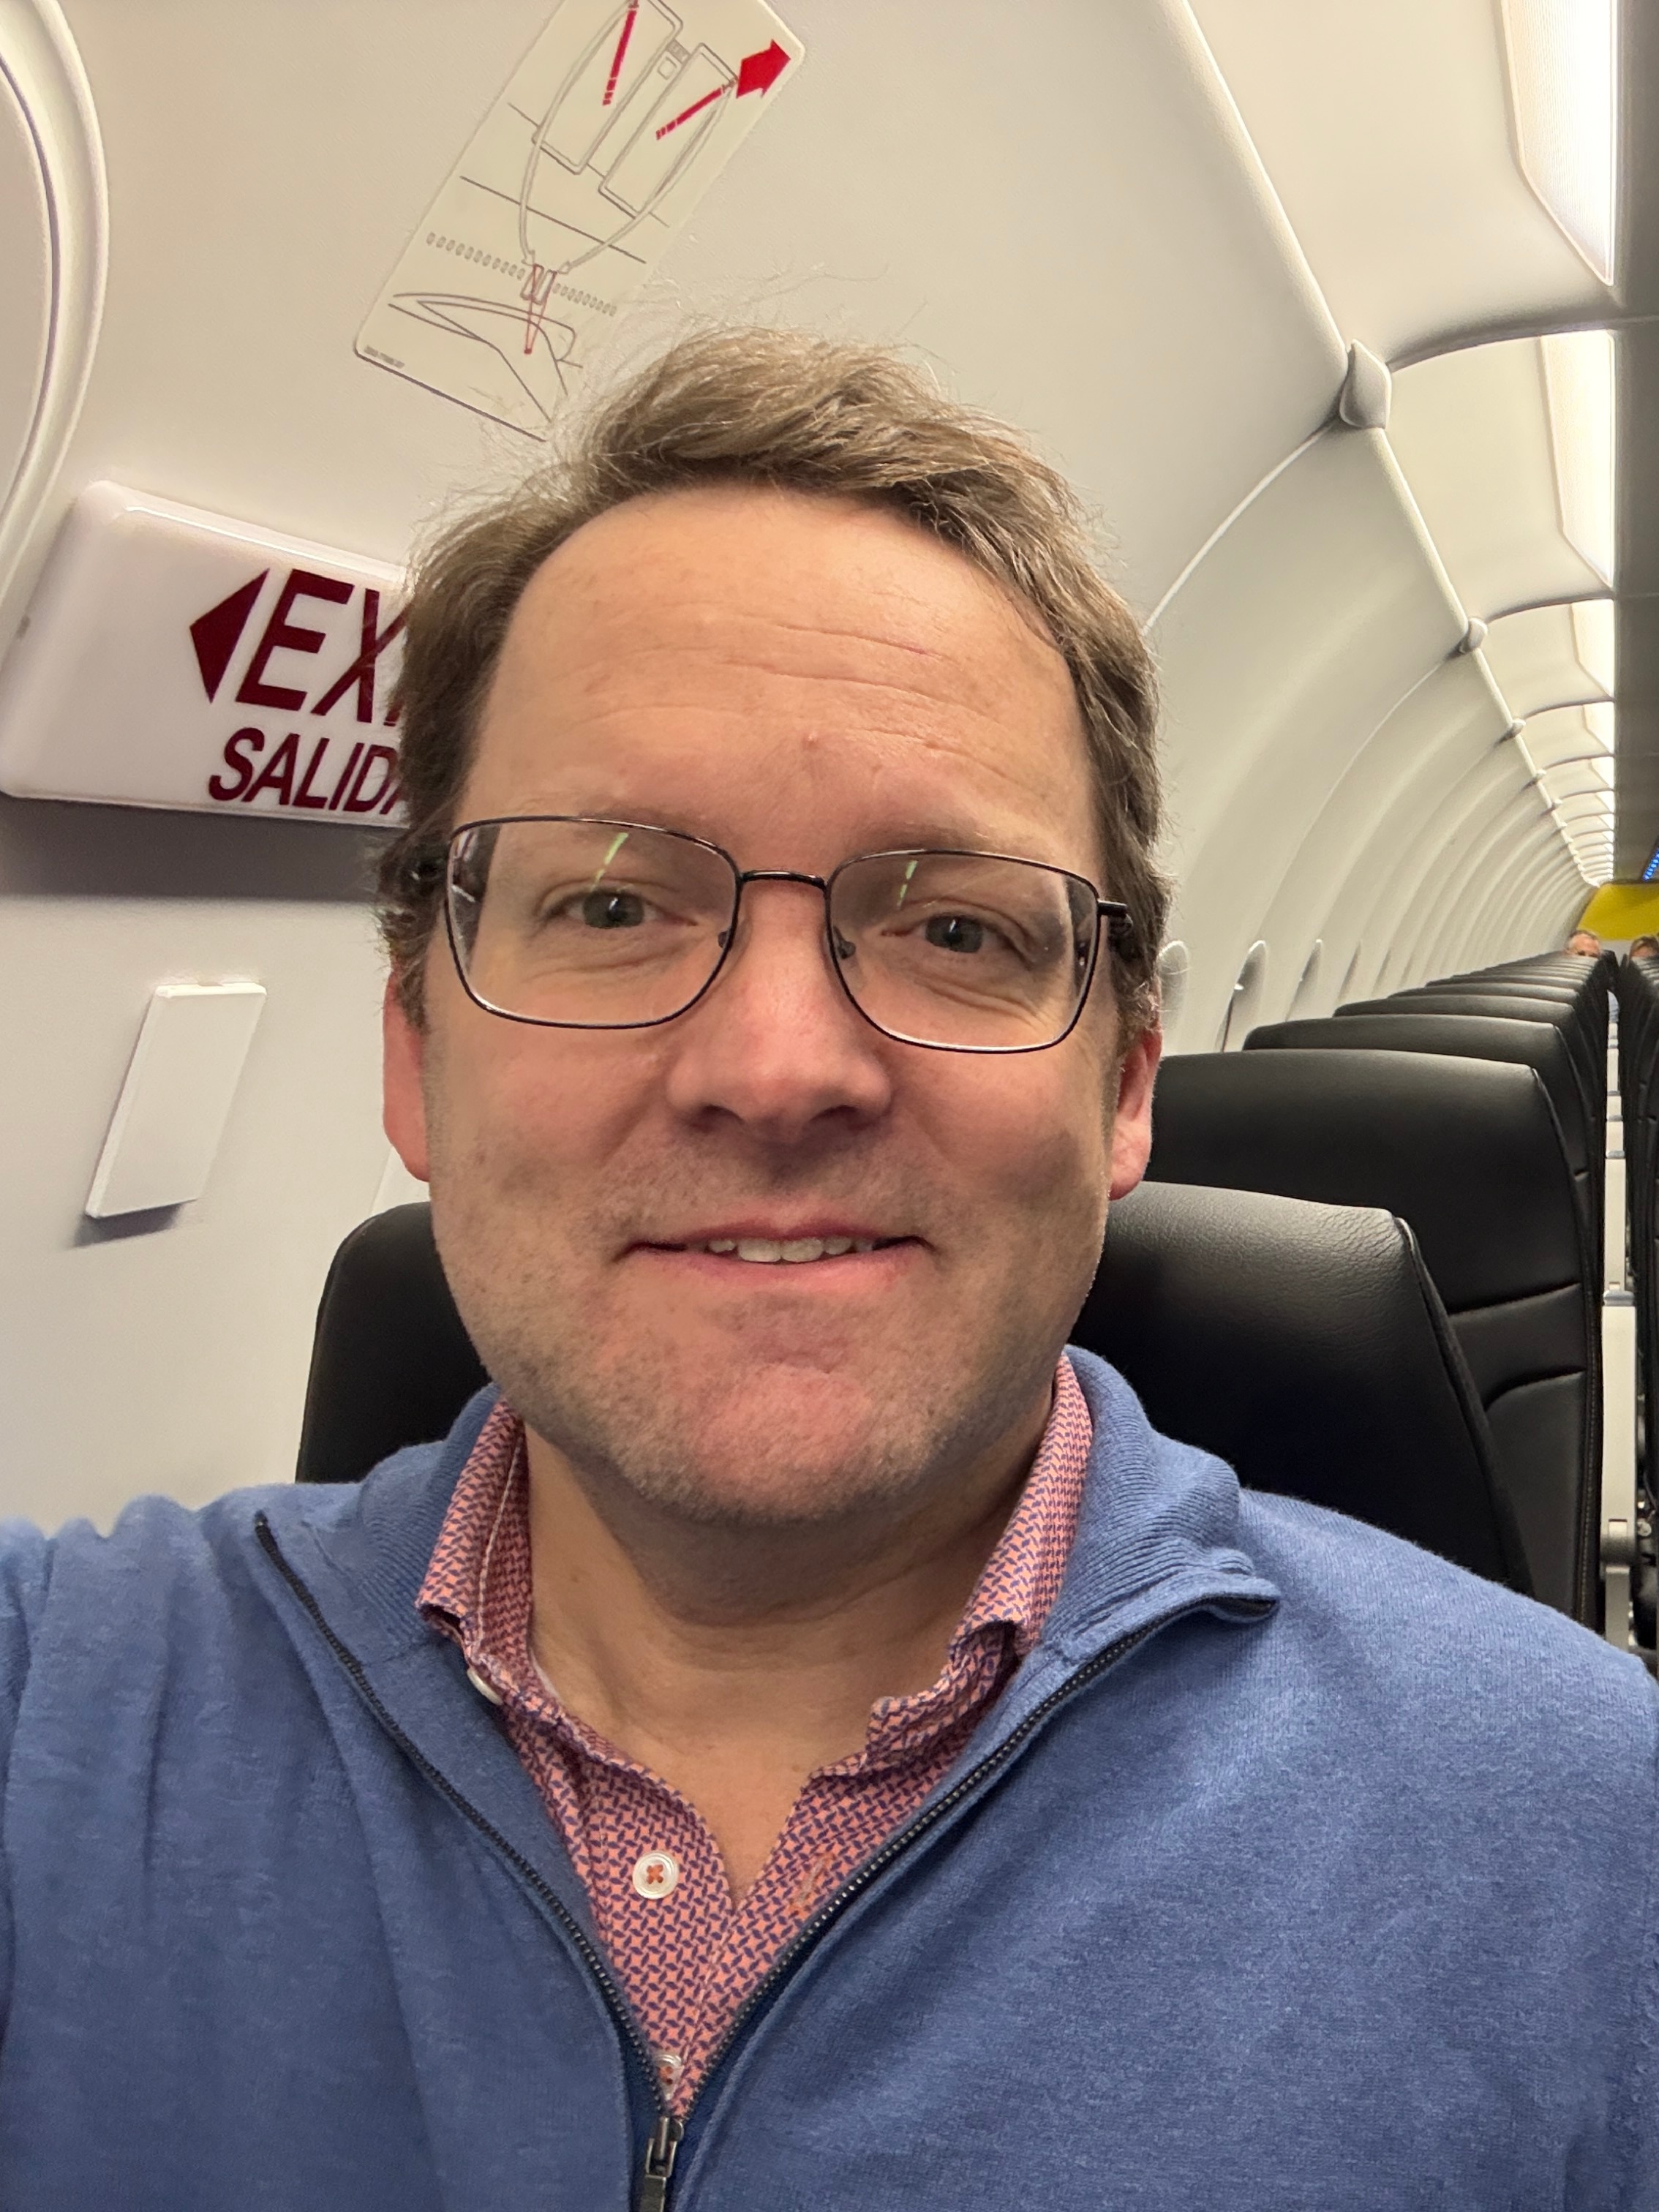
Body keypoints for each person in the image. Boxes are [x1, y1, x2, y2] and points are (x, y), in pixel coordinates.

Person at [0, 330, 1652, 2211]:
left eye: (955, 929)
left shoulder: (1588, 1845)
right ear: (413, 1053)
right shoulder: (52, 1712)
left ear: (1126, 1081)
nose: (778, 1069)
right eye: (611, 903)